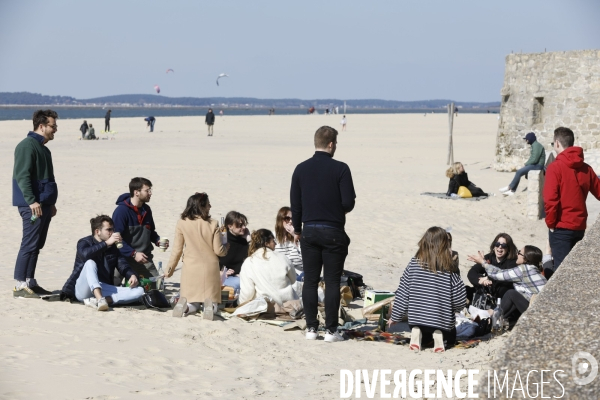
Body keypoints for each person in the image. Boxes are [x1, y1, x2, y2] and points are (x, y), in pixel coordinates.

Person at [290, 125, 356, 342]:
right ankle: (330, 330)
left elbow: (295, 204)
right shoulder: (341, 168)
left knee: (310, 280)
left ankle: (311, 328)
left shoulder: (300, 169)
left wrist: (298, 230)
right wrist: (335, 209)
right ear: (330, 144)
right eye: (335, 143)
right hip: (333, 230)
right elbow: (348, 202)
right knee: (332, 281)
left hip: (309, 229)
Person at [388, 227, 466, 353]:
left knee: (421, 326)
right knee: (449, 333)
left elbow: (403, 291)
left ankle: (416, 332)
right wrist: (455, 309)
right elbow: (459, 297)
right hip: (441, 321)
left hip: (416, 320)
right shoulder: (449, 268)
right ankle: (439, 334)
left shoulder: (414, 263)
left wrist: (395, 316)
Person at [12, 109, 59, 298]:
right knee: (29, 243)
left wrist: (51, 203)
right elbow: (22, 175)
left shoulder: (44, 149)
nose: (55, 129)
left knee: (38, 244)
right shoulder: (27, 146)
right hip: (32, 205)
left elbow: (48, 179)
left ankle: (30, 281)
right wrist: (31, 201)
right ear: (42, 126)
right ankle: (20, 284)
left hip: (44, 204)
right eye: (53, 126)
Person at [543, 127, 600, 270]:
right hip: (579, 226)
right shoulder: (586, 168)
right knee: (574, 271)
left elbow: (550, 200)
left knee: (561, 272)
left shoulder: (555, 167)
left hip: (561, 227)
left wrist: (550, 223)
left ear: (557, 143)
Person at [60, 215, 143, 311]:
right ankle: (99, 299)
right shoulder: (84, 242)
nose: (112, 233)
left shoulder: (113, 247)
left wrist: (131, 275)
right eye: (109, 230)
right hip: (83, 289)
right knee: (90, 263)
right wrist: (106, 243)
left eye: (113, 229)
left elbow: (122, 264)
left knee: (139, 291)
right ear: (97, 231)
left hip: (103, 287)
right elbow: (85, 255)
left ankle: (98, 301)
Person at [166, 193, 229, 318]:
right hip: (210, 267)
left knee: (192, 301)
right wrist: (226, 247)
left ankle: (185, 307)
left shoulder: (182, 223)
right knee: (211, 300)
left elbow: (177, 250)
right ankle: (209, 307)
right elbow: (218, 250)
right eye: (208, 204)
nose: (210, 206)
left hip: (191, 267)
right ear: (201, 206)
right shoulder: (213, 223)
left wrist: (169, 270)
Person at [112, 177, 168, 283]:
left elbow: (150, 231)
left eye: (150, 190)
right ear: (136, 192)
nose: (150, 193)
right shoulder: (121, 211)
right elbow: (116, 239)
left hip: (144, 259)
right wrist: (133, 253)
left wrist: (158, 241)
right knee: (111, 289)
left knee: (156, 287)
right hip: (122, 258)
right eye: (147, 190)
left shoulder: (147, 210)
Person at [479, 245, 546, 324]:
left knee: (511, 294)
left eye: (519, 253)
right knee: (515, 296)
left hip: (537, 314)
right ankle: (496, 320)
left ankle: (492, 320)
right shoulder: (535, 270)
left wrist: (483, 263)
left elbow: (499, 274)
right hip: (542, 311)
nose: (517, 255)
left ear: (525, 258)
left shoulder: (524, 270)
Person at [239, 229, 298, 306]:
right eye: (273, 241)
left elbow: (247, 293)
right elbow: (293, 280)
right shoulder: (283, 258)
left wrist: (240, 304)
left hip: (264, 306)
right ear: (266, 243)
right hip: (287, 304)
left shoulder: (249, 261)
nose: (276, 244)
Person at [466, 233, 518, 303]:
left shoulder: (512, 261)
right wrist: (481, 281)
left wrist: (489, 278)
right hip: (487, 290)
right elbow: (472, 272)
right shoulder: (490, 257)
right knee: (465, 289)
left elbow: (505, 277)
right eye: (497, 244)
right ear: (494, 246)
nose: (500, 247)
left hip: (501, 296)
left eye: (504, 245)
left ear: (508, 248)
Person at [218, 211, 250, 290]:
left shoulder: (244, 240)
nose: (244, 227)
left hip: (241, 276)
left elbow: (256, 257)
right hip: (225, 277)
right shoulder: (223, 240)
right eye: (240, 225)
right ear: (230, 226)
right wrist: (222, 272)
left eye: (244, 225)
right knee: (241, 283)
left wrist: (249, 239)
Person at [274, 206, 303, 277]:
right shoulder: (273, 237)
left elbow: (305, 261)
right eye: (287, 218)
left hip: (298, 274)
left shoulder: (301, 237)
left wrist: (296, 236)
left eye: (293, 219)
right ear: (280, 220)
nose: (291, 221)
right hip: (280, 275)